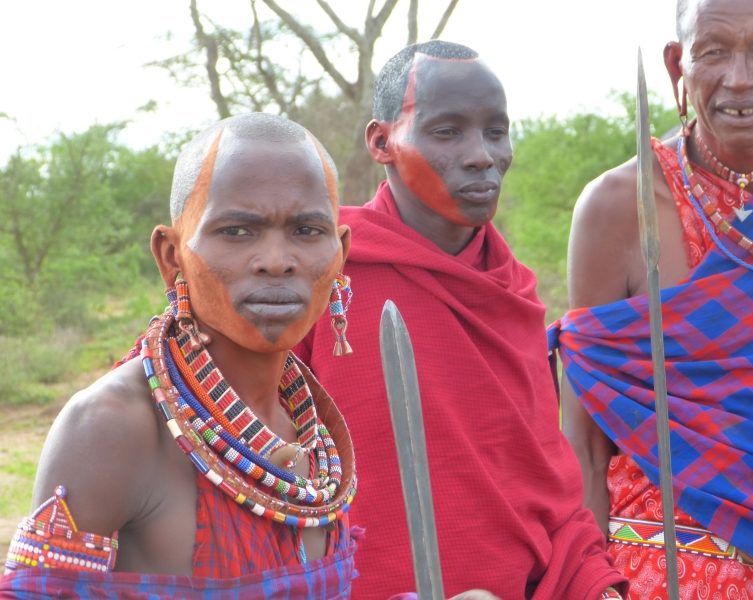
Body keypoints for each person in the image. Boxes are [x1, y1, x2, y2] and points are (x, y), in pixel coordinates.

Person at [295, 40, 628, 600]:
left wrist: (596, 587)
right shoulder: (320, 273)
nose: (481, 155)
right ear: (382, 142)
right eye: (447, 132)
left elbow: (549, 495)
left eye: (496, 131)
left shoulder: (513, 294)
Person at [0, 113, 361, 598]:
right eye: (237, 231)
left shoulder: (311, 428)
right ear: (172, 257)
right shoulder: (111, 427)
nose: (276, 261)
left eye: (308, 230)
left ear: (341, 253)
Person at [555, 0, 753, 596]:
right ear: (676, 66)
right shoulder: (619, 207)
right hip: (665, 563)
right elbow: (585, 442)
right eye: (713, 51)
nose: (739, 78)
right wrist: (591, 584)